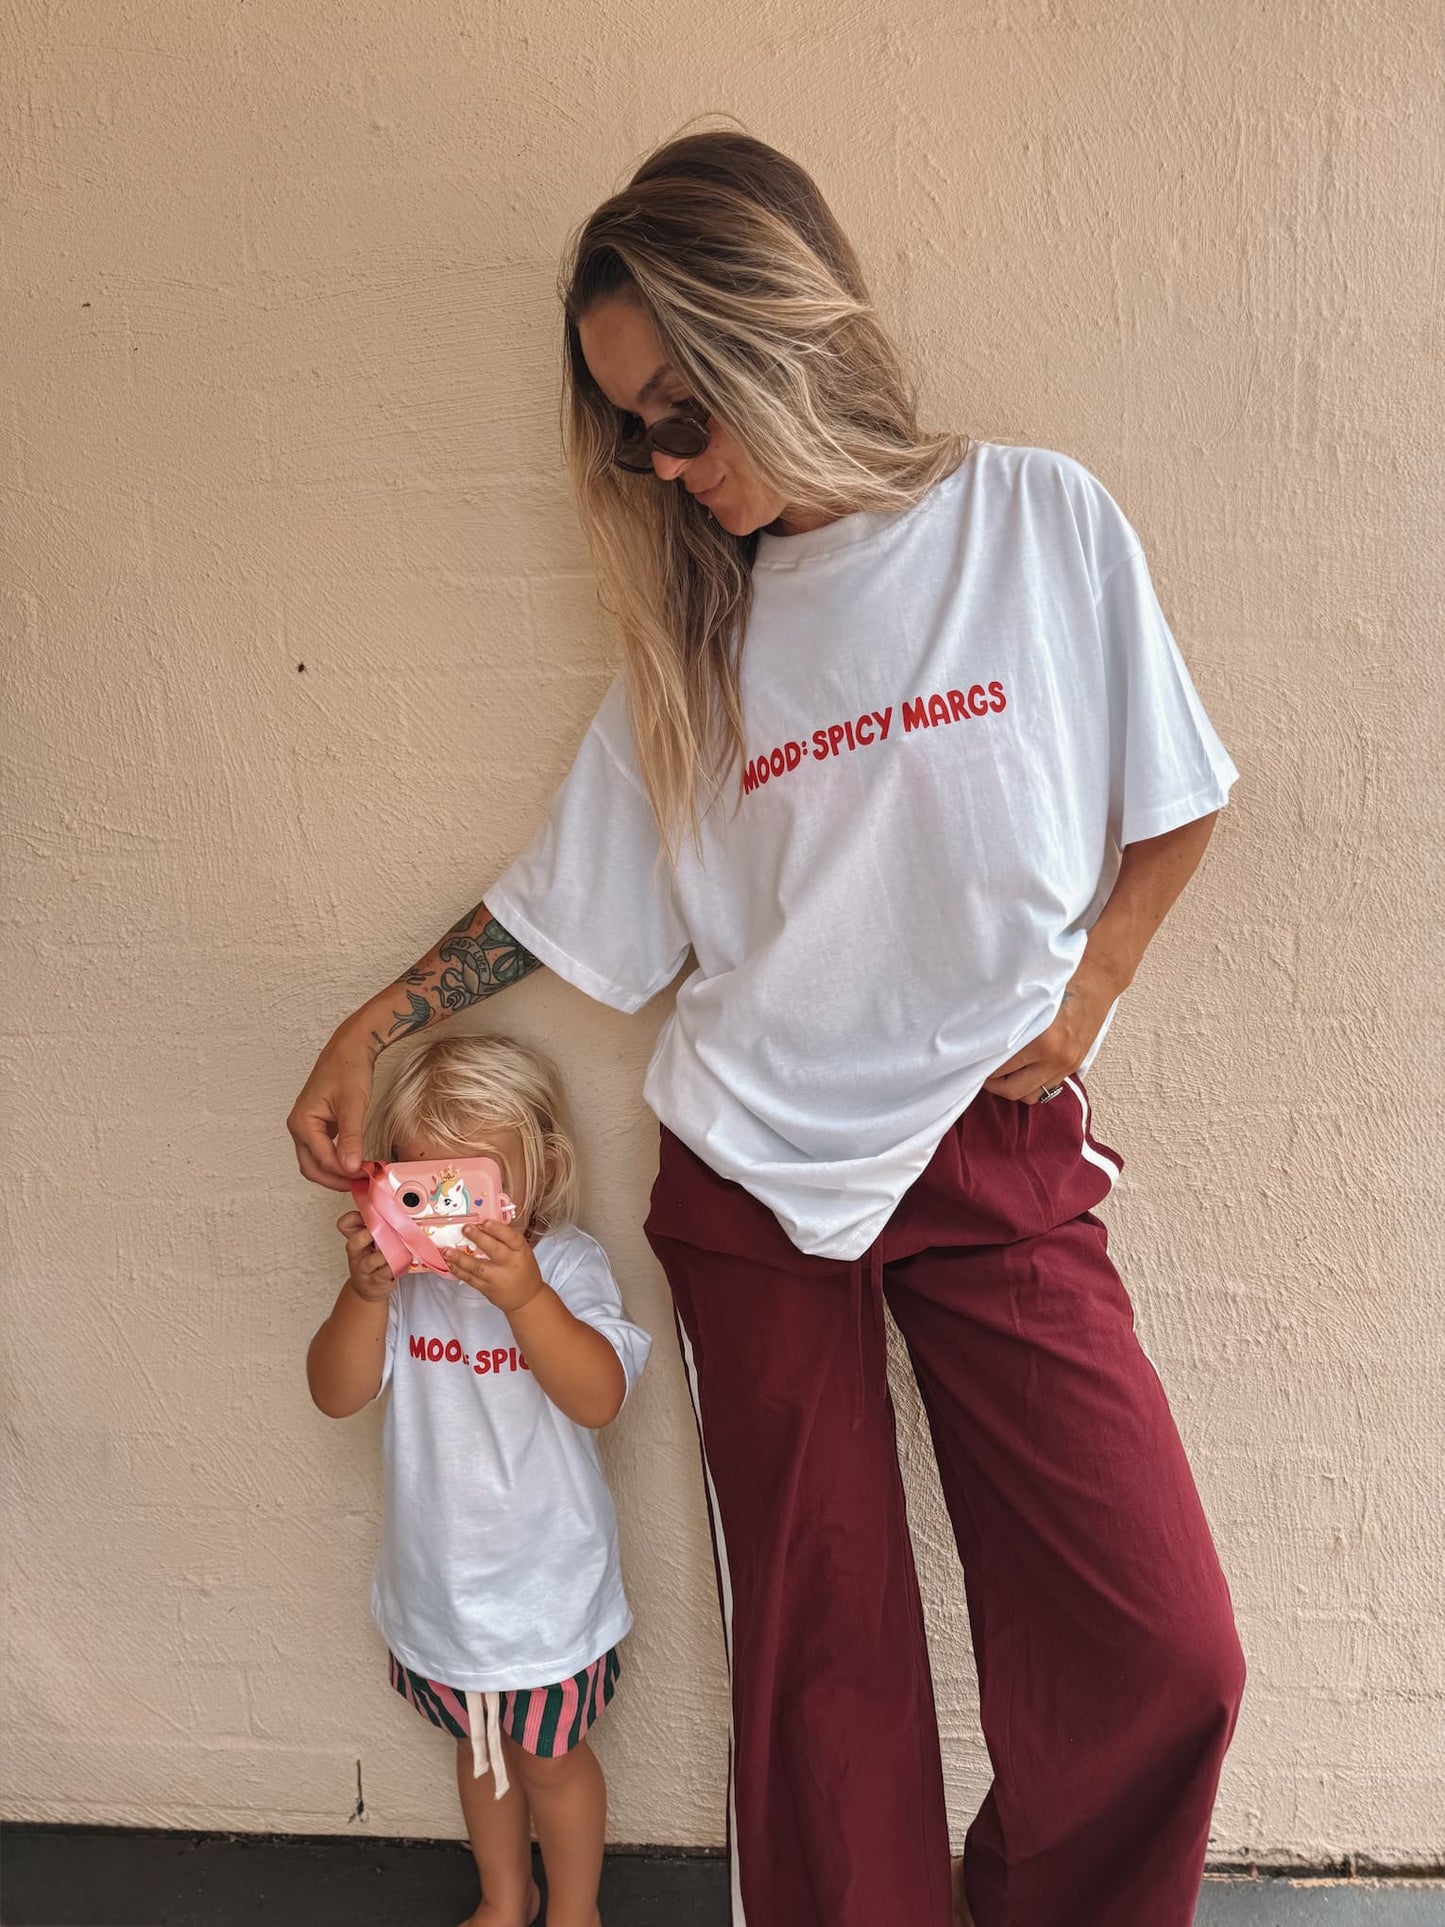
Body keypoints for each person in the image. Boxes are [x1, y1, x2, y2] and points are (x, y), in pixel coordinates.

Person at [289, 130, 1245, 1927]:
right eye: (633, 428)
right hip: (753, 1185)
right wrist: (376, 1016)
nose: (667, 462)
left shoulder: (1032, 522)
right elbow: (559, 903)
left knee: (1162, 1658)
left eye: (681, 410)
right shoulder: (696, 653)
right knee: (823, 1685)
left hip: (991, 1149)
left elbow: (1176, 792)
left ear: (775, 333)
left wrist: (1097, 983)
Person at [306, 1032, 651, 1927]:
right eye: (428, 1186)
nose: (455, 1214)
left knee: (550, 1762)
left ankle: (575, 1912)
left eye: (477, 1186)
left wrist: (526, 1297)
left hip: (545, 1595)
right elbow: (335, 1393)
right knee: (481, 1747)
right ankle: (506, 1896)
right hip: (442, 1592)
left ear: (542, 1168)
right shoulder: (405, 1286)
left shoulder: (567, 1267)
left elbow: (598, 1396)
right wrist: (364, 1294)